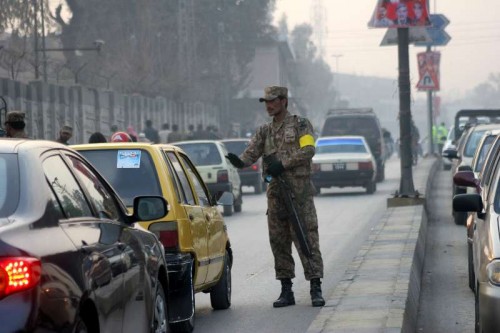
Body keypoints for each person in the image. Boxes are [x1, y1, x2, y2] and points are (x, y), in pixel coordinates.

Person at [226, 86, 325, 308]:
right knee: (279, 242)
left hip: (299, 195)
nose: (268, 106)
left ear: (283, 101)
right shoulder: (264, 131)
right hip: (276, 196)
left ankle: (315, 287)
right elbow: (252, 152)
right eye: (266, 102)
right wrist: (240, 162)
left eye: (272, 101)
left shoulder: (301, 124)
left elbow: (309, 150)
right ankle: (286, 290)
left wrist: (284, 163)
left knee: (306, 239)